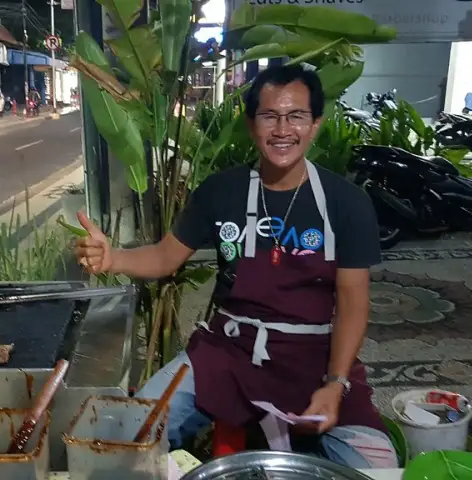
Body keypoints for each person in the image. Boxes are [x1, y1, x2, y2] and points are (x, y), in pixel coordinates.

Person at [74, 65, 398, 470]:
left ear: (315, 124)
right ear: (251, 124)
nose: (282, 129)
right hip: (229, 350)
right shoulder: (221, 191)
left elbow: (353, 303)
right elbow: (164, 256)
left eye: (296, 116)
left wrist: (335, 384)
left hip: (315, 356)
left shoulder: (346, 202)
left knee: (378, 466)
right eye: (269, 116)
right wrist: (114, 257)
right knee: (128, 435)